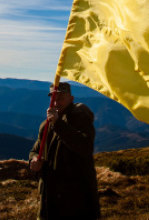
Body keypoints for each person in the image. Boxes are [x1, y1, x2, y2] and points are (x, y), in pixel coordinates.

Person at [29, 82, 100, 220]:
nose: (56, 102)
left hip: (75, 202)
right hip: (49, 199)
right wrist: (33, 160)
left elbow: (85, 147)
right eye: (53, 98)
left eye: (61, 98)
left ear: (71, 99)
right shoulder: (46, 125)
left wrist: (58, 123)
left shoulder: (80, 118)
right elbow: (36, 150)